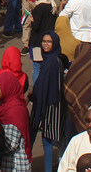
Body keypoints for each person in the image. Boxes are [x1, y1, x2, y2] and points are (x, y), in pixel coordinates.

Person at [29, 31, 66, 172]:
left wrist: (35, 97)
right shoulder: (53, 59)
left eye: (49, 42)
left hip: (47, 106)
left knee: (44, 140)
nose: (45, 44)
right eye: (44, 41)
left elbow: (45, 87)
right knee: (46, 140)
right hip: (49, 105)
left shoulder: (51, 62)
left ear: (54, 43)